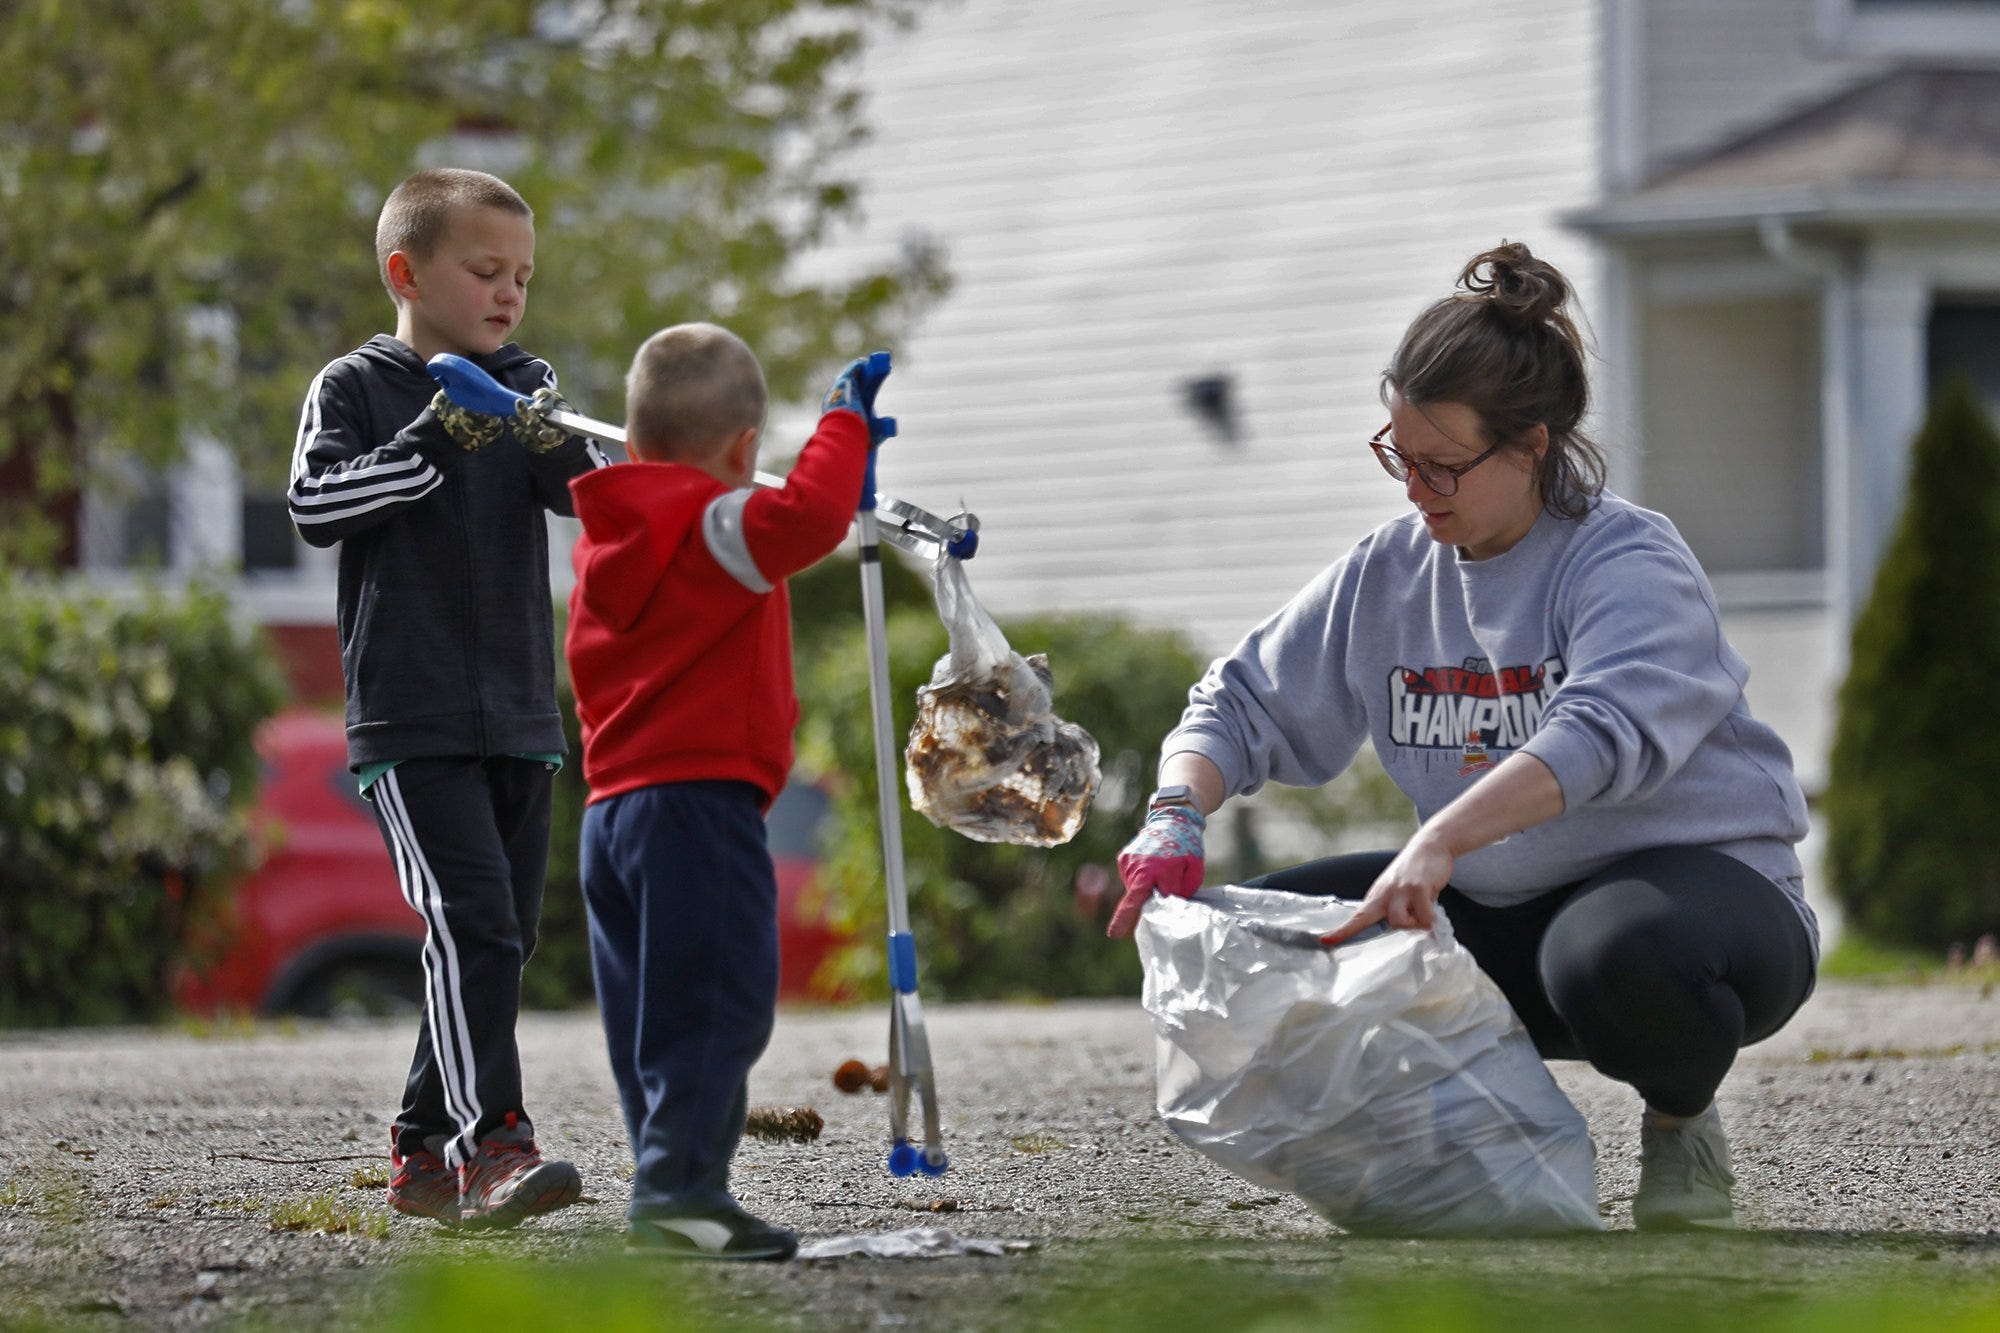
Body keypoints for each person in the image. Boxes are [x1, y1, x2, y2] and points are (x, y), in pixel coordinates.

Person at [1107, 241, 1816, 1232]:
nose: (1413, 488)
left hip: (1693, 906)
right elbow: (1239, 698)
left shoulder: (1624, 559)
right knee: (1263, 936)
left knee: (1610, 956)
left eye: (1441, 465)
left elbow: (1602, 730)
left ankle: (1681, 1117)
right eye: (1397, 456)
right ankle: (1457, 1151)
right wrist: (1176, 809)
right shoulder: (1390, 571)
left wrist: (1437, 839)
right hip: (1492, 899)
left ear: (1529, 443)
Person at [288, 167, 613, 1229]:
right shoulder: (356, 386)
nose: (509, 292)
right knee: (466, 920)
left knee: (497, 939)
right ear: (405, 272)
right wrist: (435, 430)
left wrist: (549, 423)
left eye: (521, 275)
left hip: (521, 714)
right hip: (410, 717)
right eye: (484, 270)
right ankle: (492, 1148)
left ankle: (420, 1151)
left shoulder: (524, 380)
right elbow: (316, 503)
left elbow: (585, 495)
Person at [564, 323, 884, 1260]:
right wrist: (843, 422)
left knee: (650, 1017)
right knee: (717, 1003)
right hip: (698, 804)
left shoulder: (610, 540)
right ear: (744, 449)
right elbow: (812, 517)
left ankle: (667, 1179)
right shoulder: (711, 523)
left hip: (612, 812)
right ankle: (680, 1190)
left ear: (631, 444)